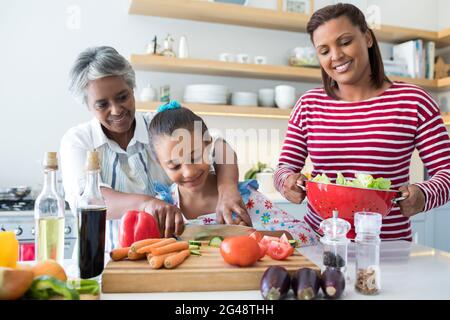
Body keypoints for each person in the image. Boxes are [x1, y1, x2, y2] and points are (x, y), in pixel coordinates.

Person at [274, 3, 450, 241]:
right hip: (320, 244)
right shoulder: (308, 104)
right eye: (324, 50)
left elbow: (446, 172)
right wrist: (288, 182)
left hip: (387, 247)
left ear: (367, 37)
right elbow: (284, 168)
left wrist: (424, 193)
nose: (336, 56)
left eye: (345, 42)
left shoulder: (413, 101)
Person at [60, 46, 250, 249]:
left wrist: (228, 188)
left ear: (132, 89)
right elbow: (87, 198)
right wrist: (146, 203)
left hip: (166, 255)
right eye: (102, 104)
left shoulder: (160, 129)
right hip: (106, 258)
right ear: (87, 105)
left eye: (122, 97)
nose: (116, 110)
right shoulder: (78, 141)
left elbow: (218, 145)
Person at [148, 101, 318, 246]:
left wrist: (251, 236)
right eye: (175, 166)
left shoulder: (243, 200)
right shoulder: (165, 207)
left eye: (195, 157)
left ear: (208, 144)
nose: (188, 172)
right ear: (158, 162)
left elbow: (307, 235)